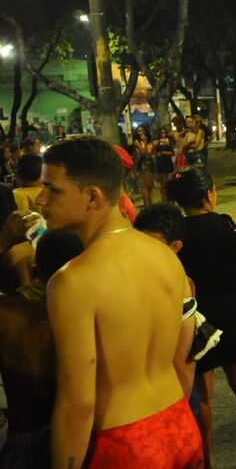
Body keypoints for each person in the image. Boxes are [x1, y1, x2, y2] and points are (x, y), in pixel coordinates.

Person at [36, 136, 202, 468]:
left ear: (93, 196)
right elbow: (186, 354)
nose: (40, 200)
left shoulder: (72, 282)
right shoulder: (165, 256)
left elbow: (77, 404)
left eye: (52, 190)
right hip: (179, 424)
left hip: (125, 445)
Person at [167, 167, 236, 468]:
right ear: (208, 194)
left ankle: (207, 458)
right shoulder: (232, 224)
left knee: (203, 396)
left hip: (198, 317)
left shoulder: (177, 235)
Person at [0, 229, 84, 469]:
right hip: (81, 432)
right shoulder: (90, 310)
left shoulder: (8, 314)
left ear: (37, 270)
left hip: (25, 431)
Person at [134, 203, 223, 398]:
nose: (143, 251)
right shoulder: (136, 277)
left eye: (152, 245)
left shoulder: (178, 285)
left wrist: (179, 408)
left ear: (176, 247)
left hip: (173, 395)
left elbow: (183, 367)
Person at [133, 126, 156, 207]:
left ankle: (151, 203)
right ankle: (147, 205)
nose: (141, 133)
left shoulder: (150, 142)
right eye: (139, 131)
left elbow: (152, 152)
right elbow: (143, 152)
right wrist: (144, 142)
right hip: (143, 163)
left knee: (151, 185)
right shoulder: (137, 142)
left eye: (142, 130)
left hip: (151, 162)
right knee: (145, 185)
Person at [154, 127, 176, 202]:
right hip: (160, 163)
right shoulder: (157, 142)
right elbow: (154, 152)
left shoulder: (169, 141)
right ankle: (164, 200)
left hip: (168, 162)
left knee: (169, 182)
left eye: (164, 132)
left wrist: (164, 153)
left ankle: (170, 199)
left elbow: (172, 153)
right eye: (161, 133)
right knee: (162, 183)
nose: (163, 134)